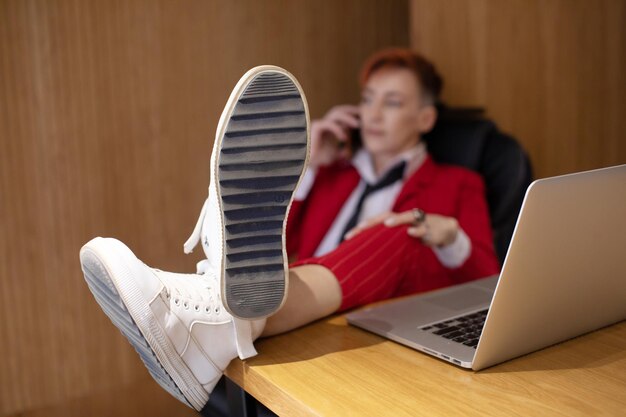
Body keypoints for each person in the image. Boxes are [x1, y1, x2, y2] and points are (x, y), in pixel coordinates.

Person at [79, 49, 499, 411]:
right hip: (308, 312)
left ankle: (217, 322)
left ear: (425, 117)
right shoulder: (333, 176)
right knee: (264, 239)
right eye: (367, 100)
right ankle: (224, 322)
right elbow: (279, 246)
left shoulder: (458, 183)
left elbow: (488, 281)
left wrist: (445, 233)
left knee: (395, 232)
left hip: (384, 317)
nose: (372, 113)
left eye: (391, 103)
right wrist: (309, 166)